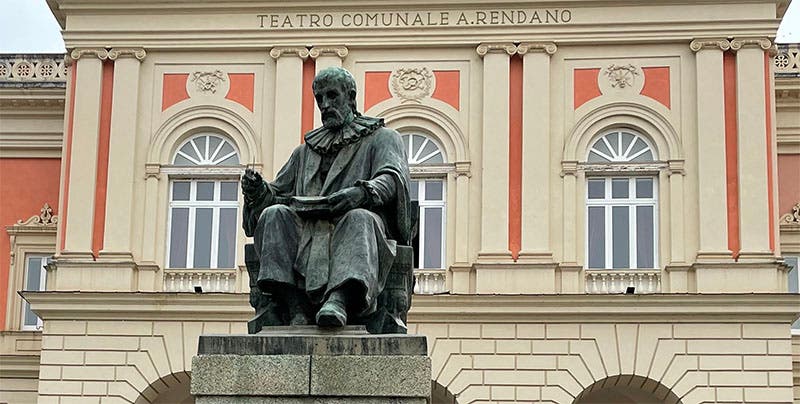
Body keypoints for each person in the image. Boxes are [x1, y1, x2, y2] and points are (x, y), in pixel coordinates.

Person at [241, 67, 413, 328]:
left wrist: (362, 193)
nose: (325, 105)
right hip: (307, 229)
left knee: (358, 218)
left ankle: (340, 299)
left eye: (332, 96)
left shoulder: (382, 138)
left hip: (356, 224)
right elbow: (278, 192)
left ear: (351, 97)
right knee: (274, 215)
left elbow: (392, 177)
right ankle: (294, 305)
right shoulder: (305, 152)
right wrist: (258, 191)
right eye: (320, 99)